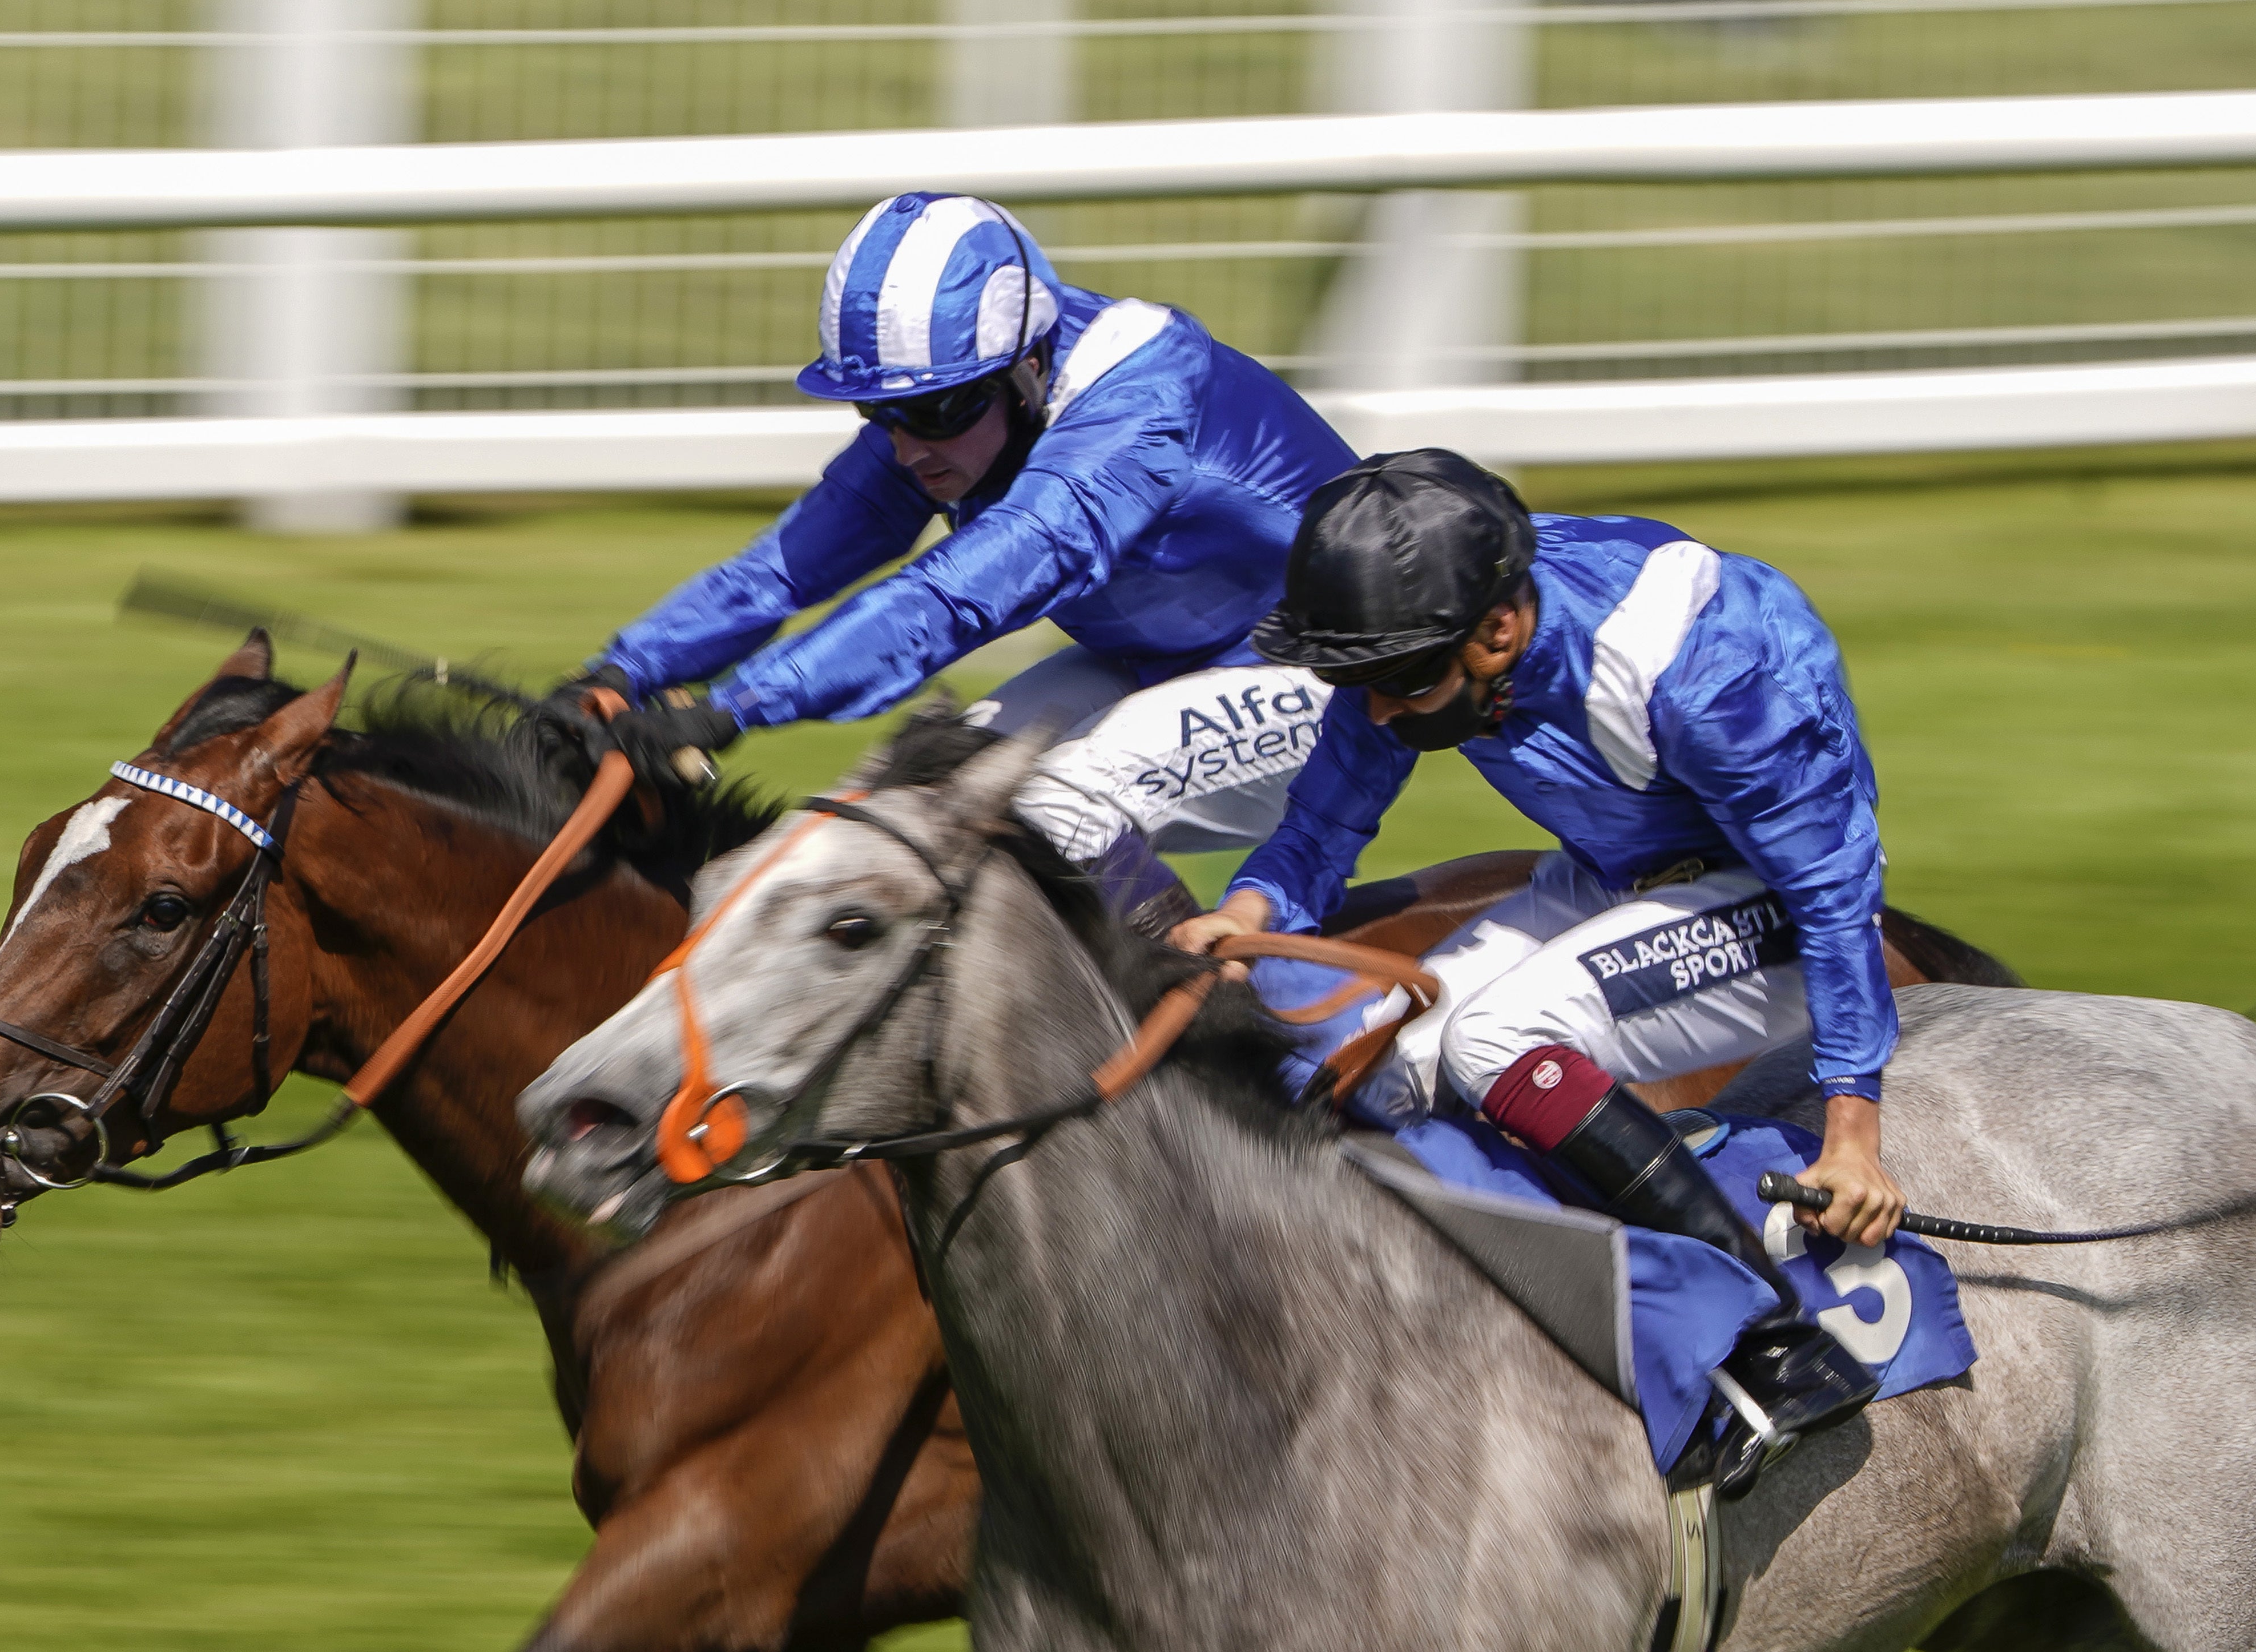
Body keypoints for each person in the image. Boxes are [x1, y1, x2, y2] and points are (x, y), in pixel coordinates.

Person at [1170, 448, 1905, 1494]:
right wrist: (1237, 920)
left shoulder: (1697, 671)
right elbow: (1322, 824)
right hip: (1618, 875)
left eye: (1402, 685)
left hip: (1780, 904)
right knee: (1374, 1060)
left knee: (1491, 1039)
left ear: (1500, 630)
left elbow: (1833, 889)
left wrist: (1852, 1132)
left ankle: (1774, 1342)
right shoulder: (1424, 631)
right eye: (1357, 684)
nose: (1378, 713)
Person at [578, 191, 1356, 932]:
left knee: (1057, 811)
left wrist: (734, 706)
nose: (908, 446)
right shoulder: (970, 389)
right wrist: (618, 674)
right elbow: (781, 569)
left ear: (1024, 374)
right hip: (1161, 659)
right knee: (906, 804)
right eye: (879, 414)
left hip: (1332, 677)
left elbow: (949, 601)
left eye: (935, 411)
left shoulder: (1134, 415)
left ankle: (1220, 1045)